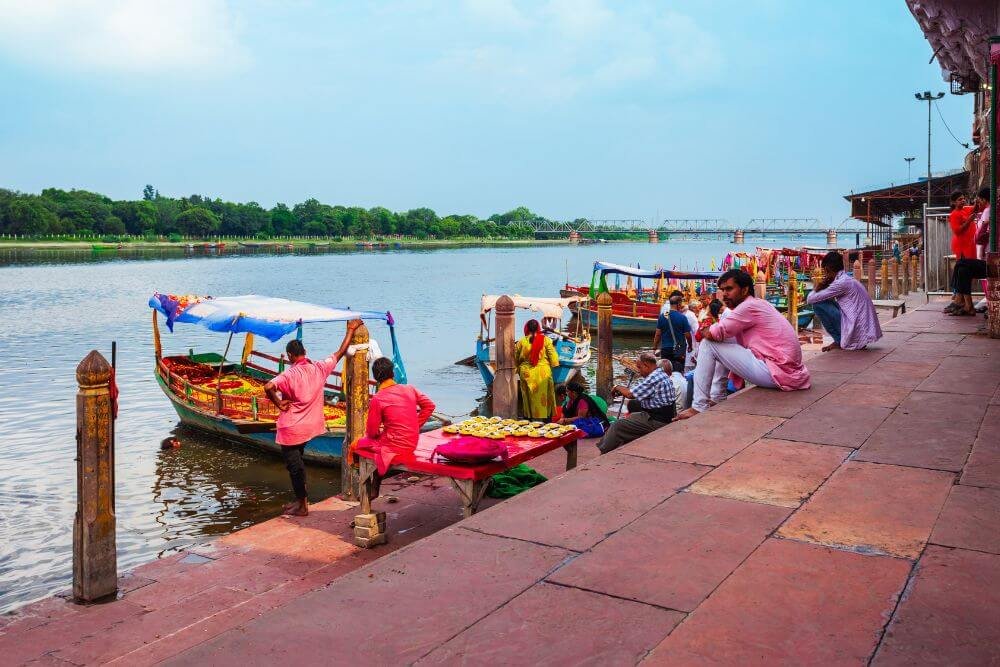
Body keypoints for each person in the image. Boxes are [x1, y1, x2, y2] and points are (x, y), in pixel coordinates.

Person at [676, 270, 810, 420]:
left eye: (729, 289)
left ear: (745, 290)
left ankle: (699, 406)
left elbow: (712, 334)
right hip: (787, 371)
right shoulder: (758, 304)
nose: (725, 294)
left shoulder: (747, 307)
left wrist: (704, 329)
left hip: (778, 372)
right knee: (721, 341)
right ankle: (717, 396)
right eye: (723, 290)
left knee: (709, 344)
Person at [264, 320, 361, 516]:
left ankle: (302, 506)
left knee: (295, 467)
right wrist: (350, 330)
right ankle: (301, 500)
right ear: (305, 352)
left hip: (291, 429)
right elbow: (340, 352)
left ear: (290, 356)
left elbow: (268, 387)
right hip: (310, 428)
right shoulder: (319, 368)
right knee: (298, 463)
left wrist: (278, 402)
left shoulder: (289, 374)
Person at [355, 356, 436, 476]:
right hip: (412, 443)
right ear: (393, 373)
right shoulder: (409, 388)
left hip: (394, 447)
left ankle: (366, 481)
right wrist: (415, 426)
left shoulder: (377, 398)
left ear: (376, 377)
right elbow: (430, 406)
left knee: (354, 446)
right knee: (377, 441)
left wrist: (381, 432)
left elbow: (372, 433)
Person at [596, 352, 676, 454]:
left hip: (657, 420)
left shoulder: (654, 378)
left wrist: (617, 387)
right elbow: (638, 392)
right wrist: (621, 392)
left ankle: (603, 452)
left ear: (646, 366)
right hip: (662, 415)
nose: (639, 371)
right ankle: (618, 446)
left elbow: (630, 394)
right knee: (632, 415)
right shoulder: (660, 373)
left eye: (640, 368)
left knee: (618, 425)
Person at [806, 251, 882, 352]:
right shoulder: (847, 279)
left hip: (857, 329)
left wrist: (820, 286)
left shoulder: (841, 283)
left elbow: (810, 299)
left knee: (817, 303)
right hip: (862, 329)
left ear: (828, 269)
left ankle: (839, 339)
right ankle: (841, 339)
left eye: (825, 270)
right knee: (824, 299)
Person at [949, 189, 989, 316]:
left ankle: (960, 299)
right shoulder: (954, 214)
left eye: (963, 198)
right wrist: (970, 220)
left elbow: (976, 208)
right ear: (954, 202)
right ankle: (958, 297)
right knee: (961, 266)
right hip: (961, 246)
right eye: (959, 199)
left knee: (962, 268)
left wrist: (977, 204)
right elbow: (958, 231)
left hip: (971, 245)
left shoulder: (966, 209)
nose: (962, 201)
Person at [516, 319, 560, 419]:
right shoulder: (546, 340)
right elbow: (554, 358)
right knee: (546, 396)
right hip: (543, 372)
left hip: (527, 373)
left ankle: (529, 419)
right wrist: (554, 364)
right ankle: (546, 420)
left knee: (528, 397)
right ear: (538, 328)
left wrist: (518, 368)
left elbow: (516, 358)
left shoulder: (521, 342)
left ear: (526, 328)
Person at [653, 295, 692, 373]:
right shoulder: (682, 317)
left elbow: (657, 334)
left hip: (665, 348)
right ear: (679, 304)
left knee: (665, 371)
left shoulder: (663, 316)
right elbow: (688, 335)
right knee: (678, 371)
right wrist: (690, 346)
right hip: (679, 349)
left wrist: (654, 347)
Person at [680, 301, 700, 372]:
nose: (699, 310)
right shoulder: (691, 316)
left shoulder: (686, 314)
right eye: (698, 308)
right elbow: (697, 333)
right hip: (691, 348)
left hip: (685, 346)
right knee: (690, 371)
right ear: (694, 308)